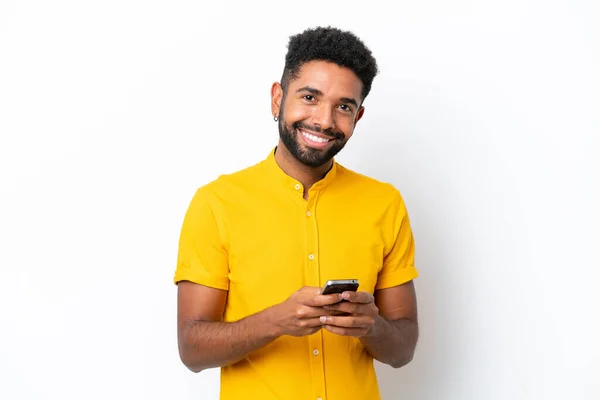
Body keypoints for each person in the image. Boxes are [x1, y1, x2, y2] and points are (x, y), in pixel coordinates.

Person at [174, 26, 419, 400]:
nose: (324, 120)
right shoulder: (216, 203)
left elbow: (403, 350)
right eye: (309, 97)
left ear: (359, 116)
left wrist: (372, 327)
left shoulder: (384, 203)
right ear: (278, 98)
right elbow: (192, 349)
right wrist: (275, 321)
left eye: (343, 106)